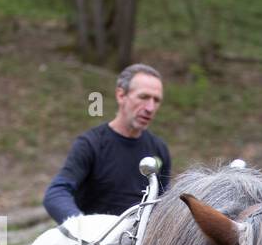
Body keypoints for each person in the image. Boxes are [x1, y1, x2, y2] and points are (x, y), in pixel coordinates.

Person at [43, 63, 173, 224]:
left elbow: (164, 206)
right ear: (121, 95)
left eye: (156, 100)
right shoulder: (91, 144)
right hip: (95, 244)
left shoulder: (159, 149)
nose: (150, 107)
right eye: (144, 97)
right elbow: (56, 193)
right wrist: (82, 228)